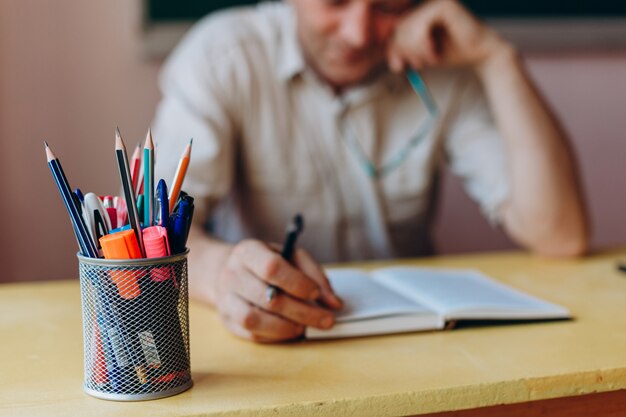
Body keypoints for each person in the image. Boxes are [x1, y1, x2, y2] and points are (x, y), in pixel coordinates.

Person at [153, 0, 588, 343]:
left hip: (417, 349)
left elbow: (560, 233)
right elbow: (156, 231)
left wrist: (495, 57)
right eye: (336, 2)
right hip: (268, 343)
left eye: (387, 7)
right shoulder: (221, 57)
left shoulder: (440, 64)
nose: (358, 33)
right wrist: (223, 273)